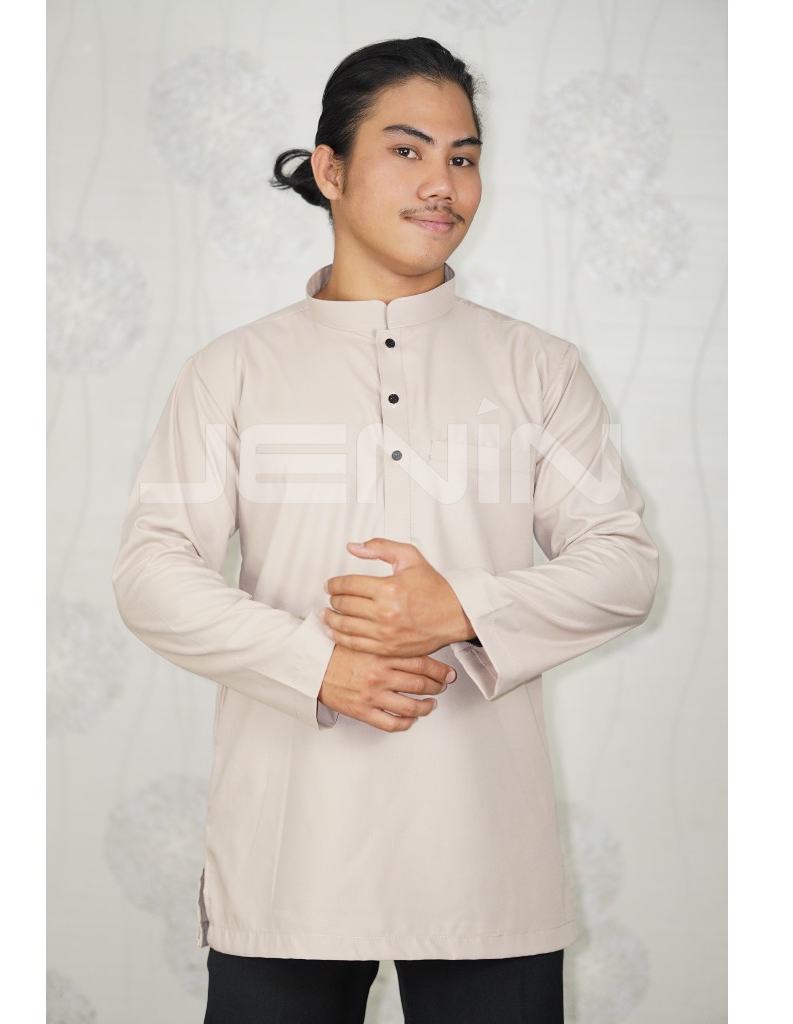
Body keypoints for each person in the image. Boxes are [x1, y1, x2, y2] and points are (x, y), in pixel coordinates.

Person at [113, 36, 659, 1024]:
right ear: (329, 170)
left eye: (463, 156)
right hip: (288, 861)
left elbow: (624, 566)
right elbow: (152, 570)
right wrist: (313, 664)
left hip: (485, 865)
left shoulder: (539, 369)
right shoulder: (233, 371)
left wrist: (462, 608)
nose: (443, 183)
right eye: (407, 150)